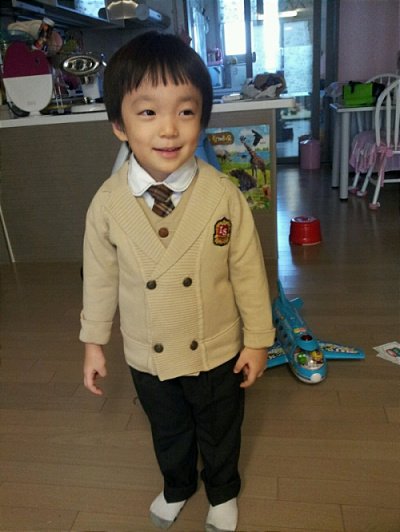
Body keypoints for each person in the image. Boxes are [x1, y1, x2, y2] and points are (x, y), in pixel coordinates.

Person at [80, 31, 275, 532]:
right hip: (148, 351)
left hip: (216, 347)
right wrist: (94, 343)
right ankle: (178, 485)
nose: (169, 128)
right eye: (148, 112)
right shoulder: (107, 204)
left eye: (185, 111)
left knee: (220, 428)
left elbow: (248, 271)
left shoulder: (223, 195)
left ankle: (223, 491)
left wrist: (258, 340)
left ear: (202, 119)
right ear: (119, 125)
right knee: (167, 429)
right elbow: (99, 278)